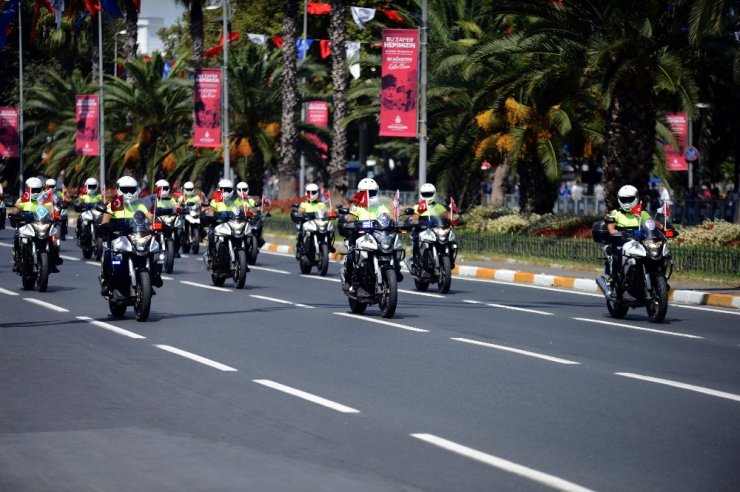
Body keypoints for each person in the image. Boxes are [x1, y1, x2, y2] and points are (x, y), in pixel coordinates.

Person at [99, 176, 160, 295]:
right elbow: (105, 220)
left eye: (131, 189)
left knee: (155, 250)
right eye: (125, 189)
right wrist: (105, 225)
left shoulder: (139, 204)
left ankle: (154, 276)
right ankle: (107, 281)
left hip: (136, 236)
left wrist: (157, 221)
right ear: (118, 189)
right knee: (108, 254)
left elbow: (149, 216)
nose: (128, 193)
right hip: (119, 237)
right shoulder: (115, 203)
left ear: (136, 189)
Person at [604, 184, 664, 297]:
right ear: (619, 200)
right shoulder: (615, 213)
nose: (627, 202)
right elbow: (611, 229)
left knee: (654, 254)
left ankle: (654, 281)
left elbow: (652, 223)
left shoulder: (641, 213)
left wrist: (664, 228)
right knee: (616, 255)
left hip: (639, 241)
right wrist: (618, 232)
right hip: (621, 242)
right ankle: (614, 282)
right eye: (624, 199)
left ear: (636, 198)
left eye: (629, 199)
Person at [340, 178, 392, 290]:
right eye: (365, 193)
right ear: (360, 193)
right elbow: (350, 218)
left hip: (377, 237)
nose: (368, 196)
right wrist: (351, 222)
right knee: (351, 254)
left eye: (371, 193)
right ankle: (349, 281)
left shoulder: (381, 207)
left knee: (393, 248)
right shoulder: (357, 207)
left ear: (376, 192)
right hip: (359, 236)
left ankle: (393, 272)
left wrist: (396, 221)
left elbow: (389, 217)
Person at [8, 177, 62, 272]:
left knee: (54, 241)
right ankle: (17, 260)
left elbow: (51, 210)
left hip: (40, 223)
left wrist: (55, 214)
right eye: (34, 189)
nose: (36, 192)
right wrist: (14, 214)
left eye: (38, 189)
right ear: (27, 189)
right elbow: (16, 209)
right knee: (17, 238)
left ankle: (54, 261)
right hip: (27, 224)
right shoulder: (23, 199)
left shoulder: (45, 199)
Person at [408, 183, 450, 273]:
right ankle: (416, 263)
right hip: (422, 230)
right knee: (416, 240)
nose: (427, 196)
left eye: (429, 194)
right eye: (425, 194)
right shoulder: (419, 207)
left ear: (434, 194)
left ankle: (448, 261)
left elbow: (447, 217)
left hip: (436, 230)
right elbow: (415, 218)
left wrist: (453, 221)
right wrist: (415, 222)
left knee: (451, 240)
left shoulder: (439, 207)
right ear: (421, 194)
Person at [206, 178, 240, 265]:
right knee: (211, 234)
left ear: (232, 190)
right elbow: (211, 211)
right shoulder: (215, 201)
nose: (225, 192)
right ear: (219, 190)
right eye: (222, 189)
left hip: (232, 225)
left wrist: (247, 213)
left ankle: (242, 258)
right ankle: (212, 254)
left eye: (228, 190)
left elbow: (241, 210)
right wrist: (212, 215)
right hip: (218, 224)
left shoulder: (235, 201)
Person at [291, 183, 329, 258]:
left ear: (317, 193)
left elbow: (327, 211)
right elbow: (300, 211)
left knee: (329, 231)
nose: (311, 194)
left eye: (313, 192)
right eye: (309, 192)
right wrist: (299, 214)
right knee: (301, 232)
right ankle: (299, 248)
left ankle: (328, 247)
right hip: (307, 224)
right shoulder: (303, 204)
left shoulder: (321, 204)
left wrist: (334, 212)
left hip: (318, 223)